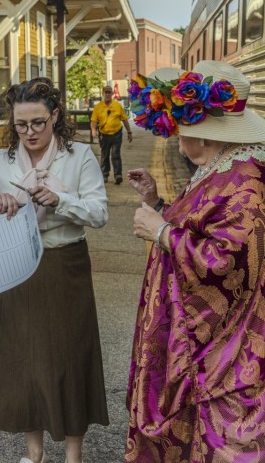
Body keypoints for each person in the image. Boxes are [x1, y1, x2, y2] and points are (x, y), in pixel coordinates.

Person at [0, 77, 109, 463]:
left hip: (65, 265)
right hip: (17, 265)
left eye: (38, 123)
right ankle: (34, 453)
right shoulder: (0, 161)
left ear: (55, 115)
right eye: (21, 124)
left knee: (71, 356)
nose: (29, 132)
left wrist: (61, 200)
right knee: (23, 357)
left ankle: (74, 454)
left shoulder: (80, 157)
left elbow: (99, 213)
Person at [125, 60, 265, 461]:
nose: (174, 139)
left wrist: (161, 231)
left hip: (220, 349)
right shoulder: (222, 168)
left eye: (178, 132)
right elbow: (203, 226)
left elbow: (229, 264)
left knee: (217, 431)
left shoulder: (244, 180)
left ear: (201, 135)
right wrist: (157, 204)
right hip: (191, 331)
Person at [90, 84, 133, 184]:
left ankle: (118, 175)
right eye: (106, 92)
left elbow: (125, 120)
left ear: (112, 93)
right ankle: (105, 175)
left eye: (109, 92)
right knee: (104, 155)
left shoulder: (117, 106)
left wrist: (129, 132)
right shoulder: (98, 107)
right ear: (103, 93)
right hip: (104, 134)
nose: (108, 94)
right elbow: (93, 121)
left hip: (116, 134)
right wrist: (93, 130)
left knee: (115, 154)